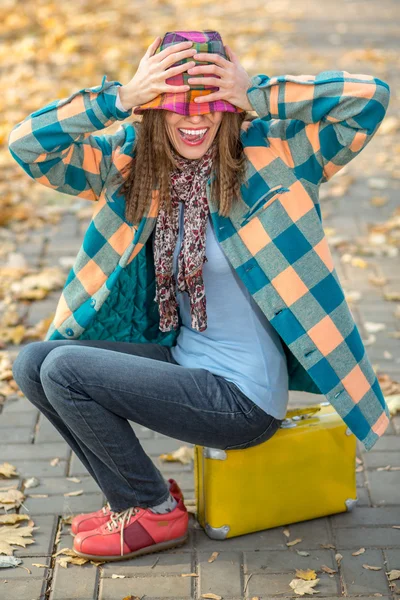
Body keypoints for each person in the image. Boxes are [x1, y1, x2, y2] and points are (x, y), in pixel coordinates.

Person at [9, 29, 391, 562]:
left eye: (210, 101)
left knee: (65, 370)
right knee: (35, 363)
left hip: (242, 399)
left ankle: (152, 511)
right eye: (174, 103)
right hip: (185, 359)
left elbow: (371, 98)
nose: (194, 118)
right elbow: (27, 145)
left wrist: (256, 90)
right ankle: (139, 497)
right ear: (152, 110)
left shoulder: (276, 154)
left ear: (228, 106)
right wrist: (118, 97)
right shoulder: (136, 167)